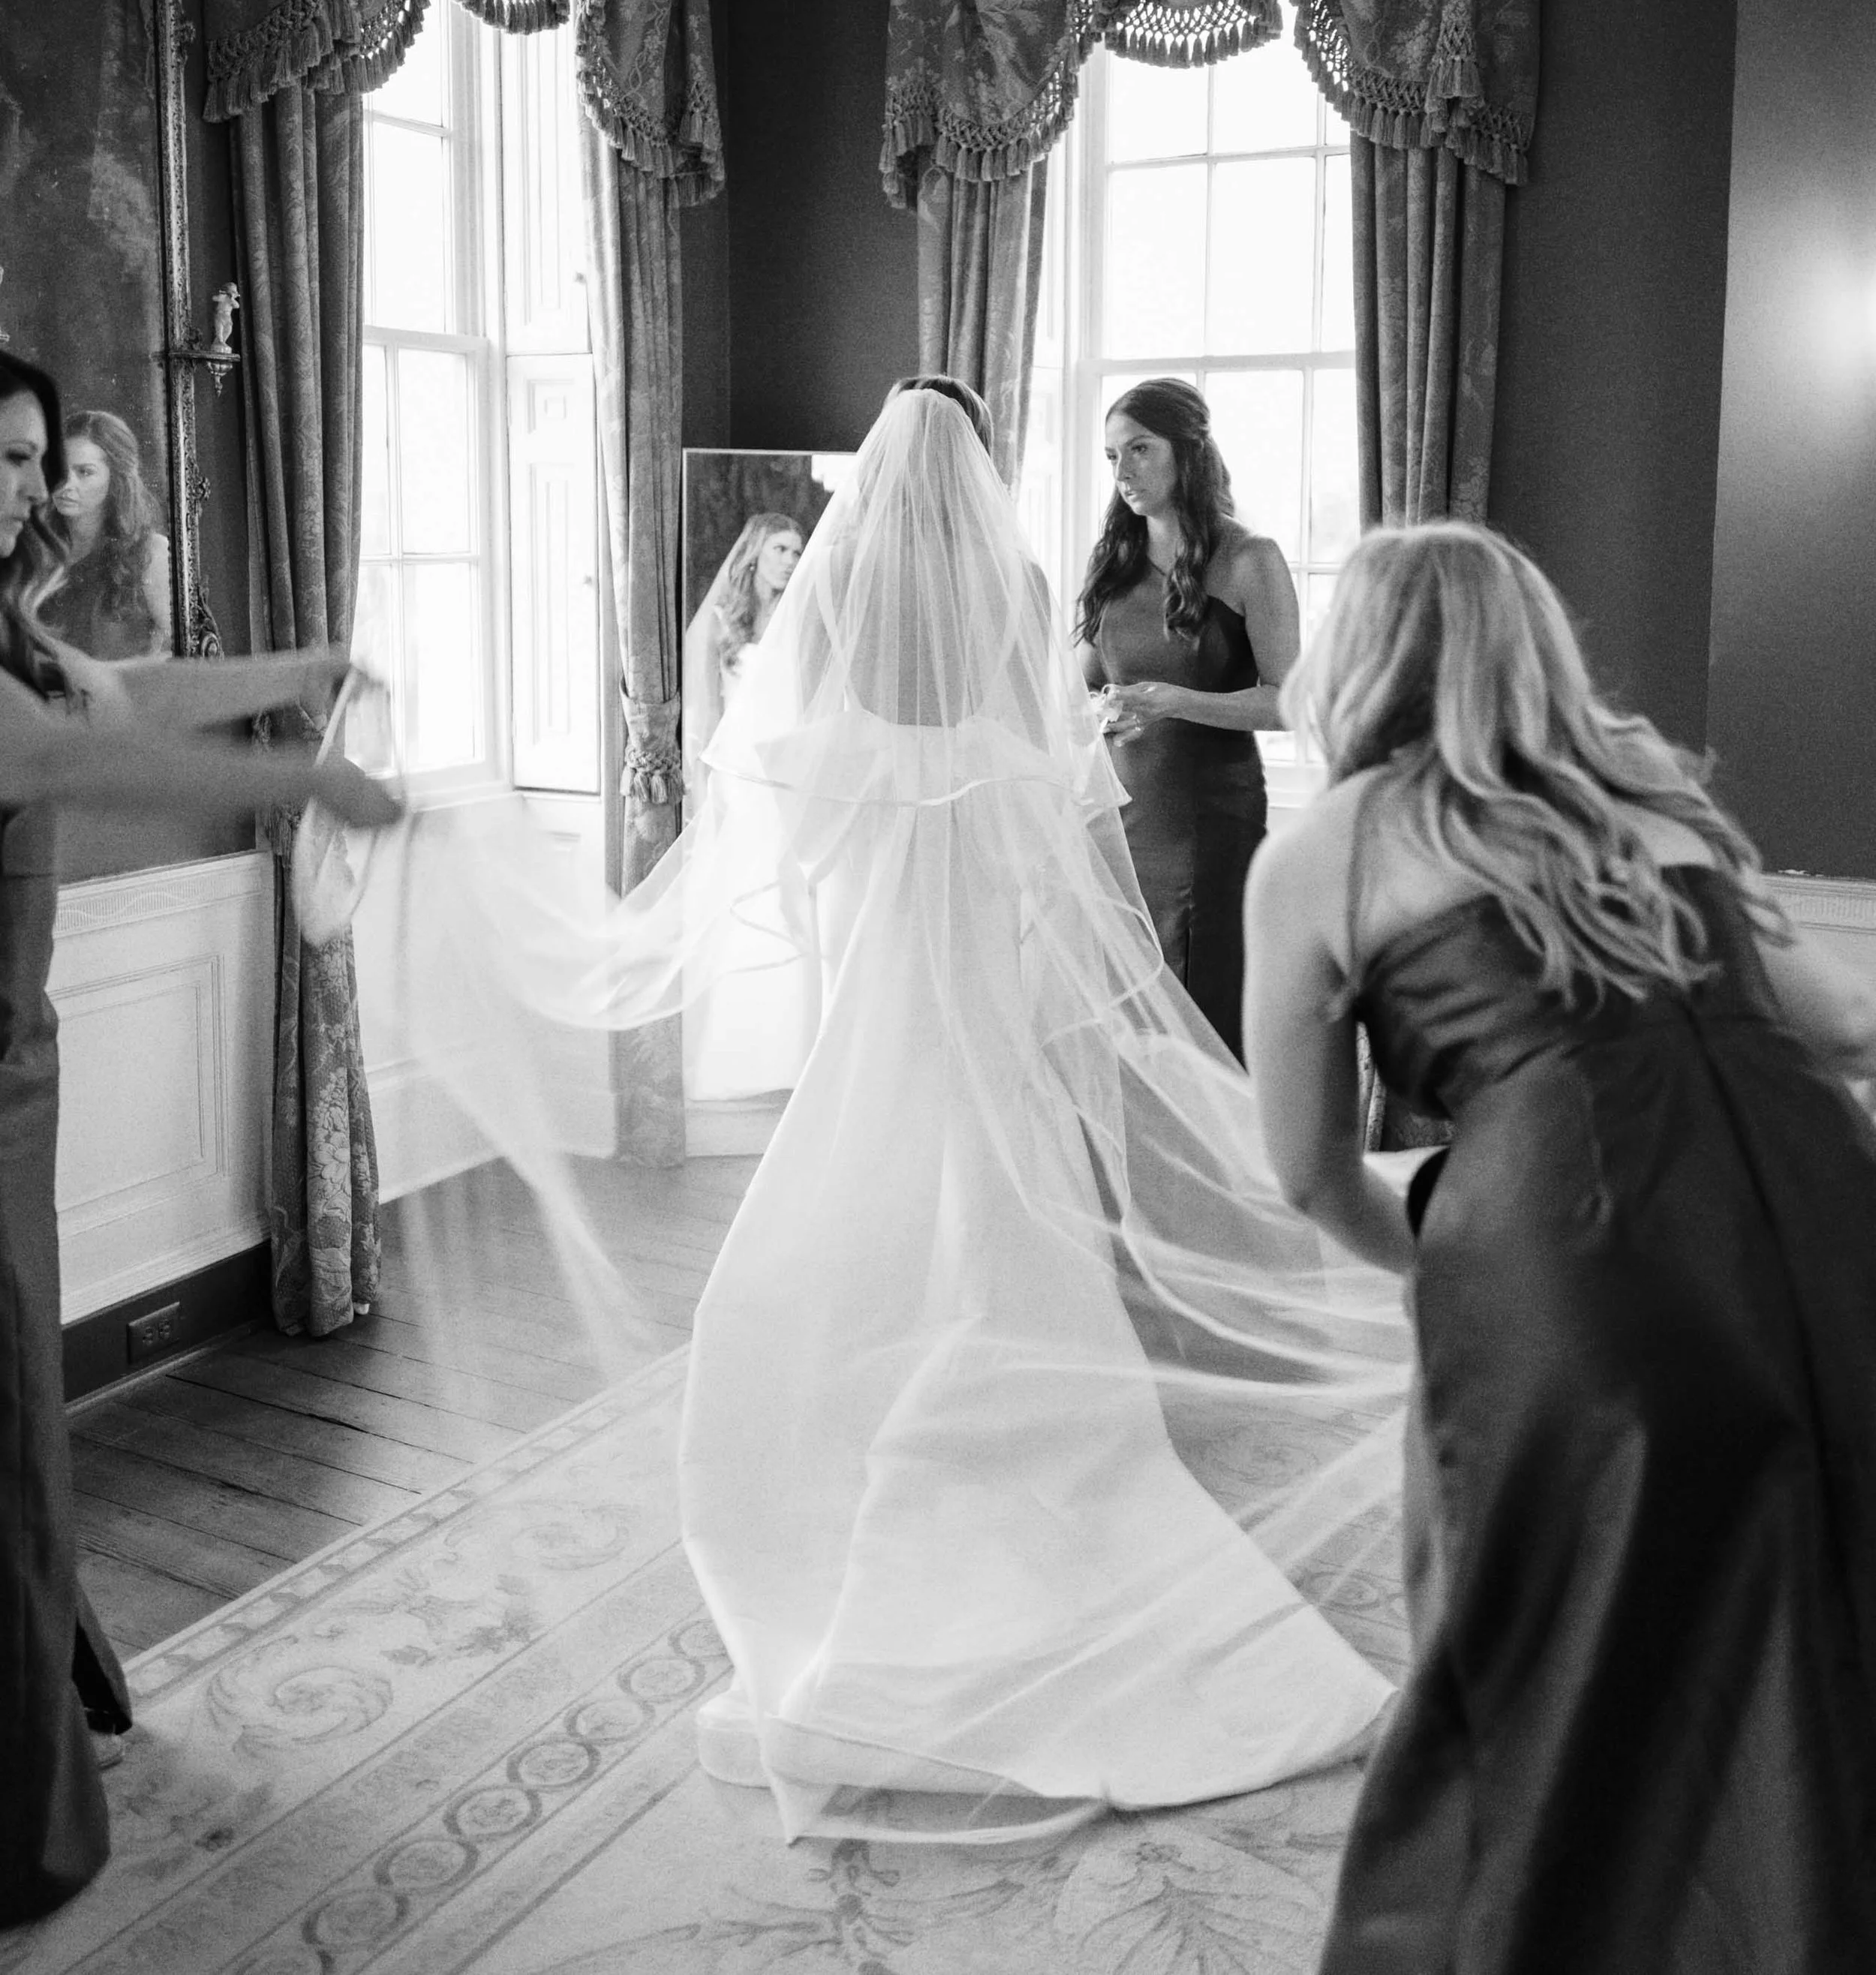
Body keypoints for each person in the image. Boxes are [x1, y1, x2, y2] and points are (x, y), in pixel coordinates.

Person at [377, 380, 1412, 1846]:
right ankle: (1014, 1466)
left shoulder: (842, 582)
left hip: (874, 997)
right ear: (978, 466)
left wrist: (859, 854)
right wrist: (1068, 967)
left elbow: (792, 792)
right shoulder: (1020, 586)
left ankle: (863, 1463)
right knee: (999, 1225)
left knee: (848, 1225)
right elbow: (1067, 812)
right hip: (983, 990)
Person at [1242, 522, 1876, 1973]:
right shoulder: (1649, 812)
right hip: (1830, 1228)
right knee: (1807, 1610)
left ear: (1357, 654)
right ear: (1537, 647)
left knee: (1551, 1639)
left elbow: (1308, 1171)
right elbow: (1848, 1026)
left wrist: (1461, 1270)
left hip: (1577, 1256)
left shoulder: (1330, 847)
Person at [0, 349, 399, 1927]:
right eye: (1, 457)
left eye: (34, 458)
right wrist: (308, 770)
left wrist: (298, 662)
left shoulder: (15, 633)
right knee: (9, 1424)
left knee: (17, 1424)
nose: (25, 488)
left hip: (16, 1075)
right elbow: (74, 759)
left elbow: (122, 699)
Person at [1078, 378, 1297, 1060]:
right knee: (1124, 1019)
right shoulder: (1112, 563)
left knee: (1204, 1010)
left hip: (1209, 823)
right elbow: (1080, 685)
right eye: (1112, 456)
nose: (1124, 471)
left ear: (1188, 451)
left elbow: (1289, 700)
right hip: (1117, 819)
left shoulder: (1250, 558)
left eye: (1140, 449)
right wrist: (1096, 711)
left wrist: (1176, 701)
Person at [682, 513, 804, 801]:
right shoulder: (721, 621)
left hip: (788, 753)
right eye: (780, 549)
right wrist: (703, 785)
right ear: (754, 555)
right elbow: (706, 712)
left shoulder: (797, 619)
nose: (790, 561)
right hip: (738, 755)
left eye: (796, 553)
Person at [42, 408, 172, 661]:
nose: (66, 484)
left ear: (116, 478)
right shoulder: (36, 552)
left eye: (85, 472)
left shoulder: (150, 554)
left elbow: (185, 654)